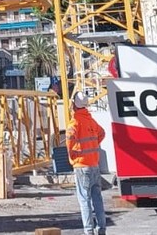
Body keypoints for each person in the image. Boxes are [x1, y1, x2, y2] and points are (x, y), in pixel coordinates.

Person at [66, 91, 107, 235]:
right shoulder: (91, 121)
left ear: (74, 105)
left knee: (84, 199)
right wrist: (93, 146)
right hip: (94, 164)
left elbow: (69, 137)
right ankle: (101, 229)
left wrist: (72, 154)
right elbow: (102, 133)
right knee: (97, 199)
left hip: (82, 166)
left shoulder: (75, 122)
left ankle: (89, 231)